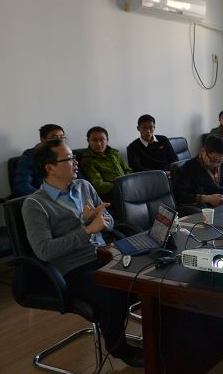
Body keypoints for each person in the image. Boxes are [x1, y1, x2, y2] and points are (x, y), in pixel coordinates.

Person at [22, 139, 143, 367]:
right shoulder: (35, 205)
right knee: (114, 290)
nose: (76, 162)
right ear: (50, 167)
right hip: (73, 268)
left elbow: (109, 221)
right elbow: (44, 251)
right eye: (69, 158)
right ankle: (118, 348)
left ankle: (160, 335)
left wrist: (99, 221)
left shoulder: (83, 186)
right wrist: (87, 230)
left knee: (149, 274)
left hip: (105, 255)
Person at [173, 135, 223, 207]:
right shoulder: (190, 167)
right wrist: (206, 198)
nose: (216, 164)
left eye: (220, 160)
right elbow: (179, 195)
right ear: (203, 151)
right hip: (203, 209)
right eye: (213, 160)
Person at [80, 126, 132, 205]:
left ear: (107, 140)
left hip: (127, 188)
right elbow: (98, 185)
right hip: (110, 195)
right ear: (88, 141)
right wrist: (120, 185)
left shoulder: (114, 154)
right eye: (94, 140)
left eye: (102, 139)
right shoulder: (87, 161)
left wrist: (129, 182)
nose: (99, 143)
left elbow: (128, 170)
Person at [13, 124, 67, 196]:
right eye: (54, 138)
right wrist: (46, 197)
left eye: (62, 137)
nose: (59, 141)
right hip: (43, 197)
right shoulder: (29, 156)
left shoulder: (66, 154)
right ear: (43, 140)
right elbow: (22, 185)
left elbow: (77, 178)